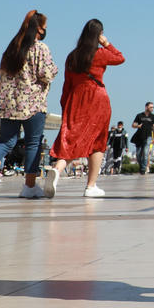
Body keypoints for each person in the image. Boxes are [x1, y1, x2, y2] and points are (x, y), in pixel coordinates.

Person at [0, 10, 57, 200]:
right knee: (33, 142)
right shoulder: (40, 48)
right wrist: (54, 69)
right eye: (44, 28)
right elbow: (46, 74)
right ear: (38, 29)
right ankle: (30, 186)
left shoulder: (12, 49)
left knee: (5, 142)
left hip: (9, 103)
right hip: (33, 103)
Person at [45, 19, 125, 198]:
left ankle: (57, 169)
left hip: (76, 99)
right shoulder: (100, 53)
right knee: (98, 142)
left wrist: (66, 105)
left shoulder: (72, 57)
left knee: (73, 139)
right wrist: (107, 43)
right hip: (97, 98)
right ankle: (91, 186)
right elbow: (120, 58)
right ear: (99, 35)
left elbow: (67, 85)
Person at [131, 102, 154, 175]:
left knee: (145, 153)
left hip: (148, 137)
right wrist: (137, 126)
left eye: (153, 107)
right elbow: (133, 125)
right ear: (146, 107)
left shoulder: (153, 116)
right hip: (139, 137)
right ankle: (141, 166)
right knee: (138, 155)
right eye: (151, 107)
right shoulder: (139, 115)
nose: (152, 108)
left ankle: (143, 169)